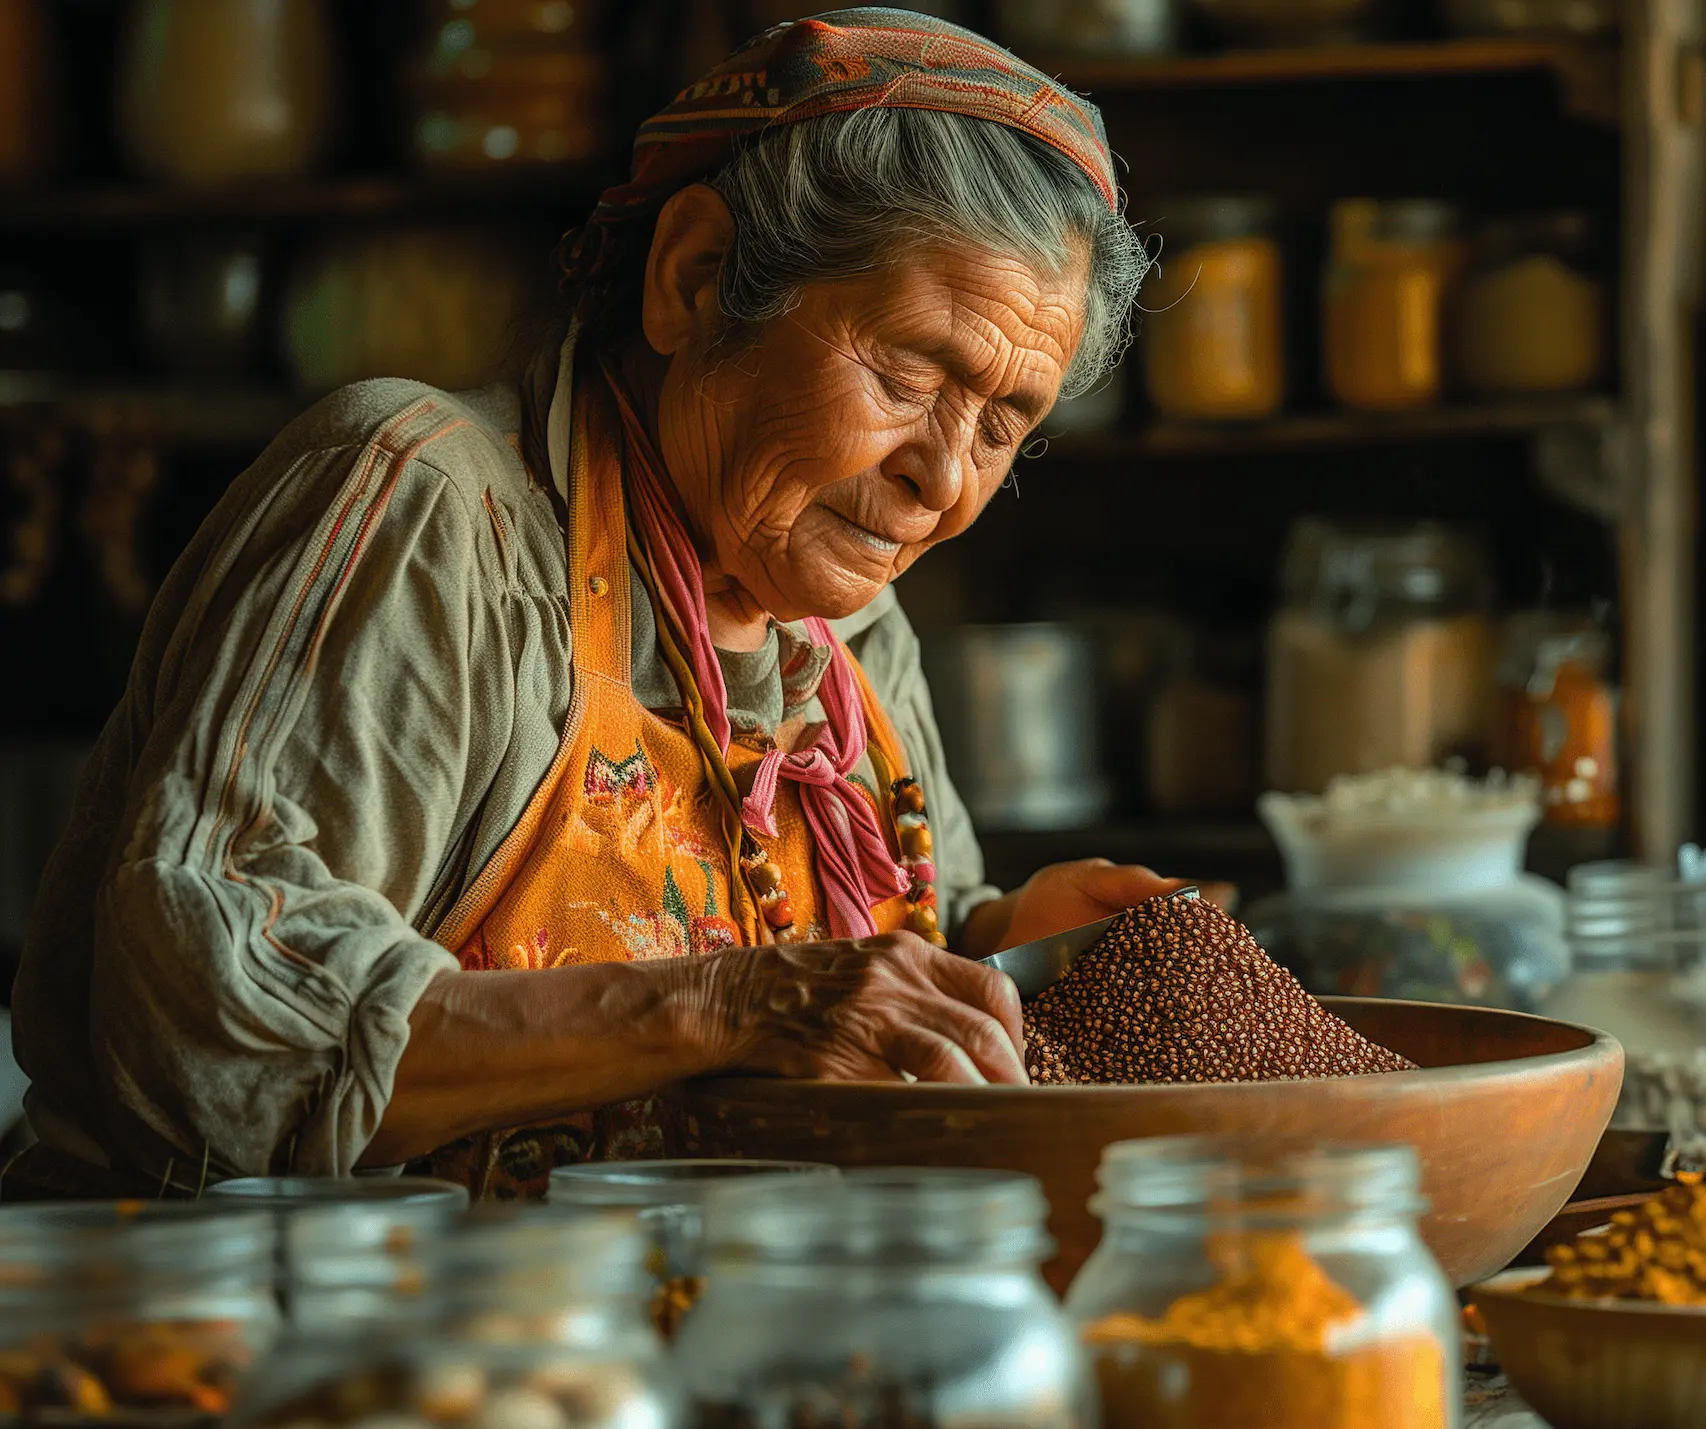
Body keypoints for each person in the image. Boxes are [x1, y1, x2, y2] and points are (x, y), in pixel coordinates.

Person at [8, 9, 1178, 1198]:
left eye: (1000, 425)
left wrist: (1005, 945)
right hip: (300, 1337)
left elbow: (858, 968)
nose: (944, 478)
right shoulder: (433, 516)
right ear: (696, 279)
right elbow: (206, 1021)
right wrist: (723, 1007)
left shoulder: (853, 640)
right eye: (910, 372)